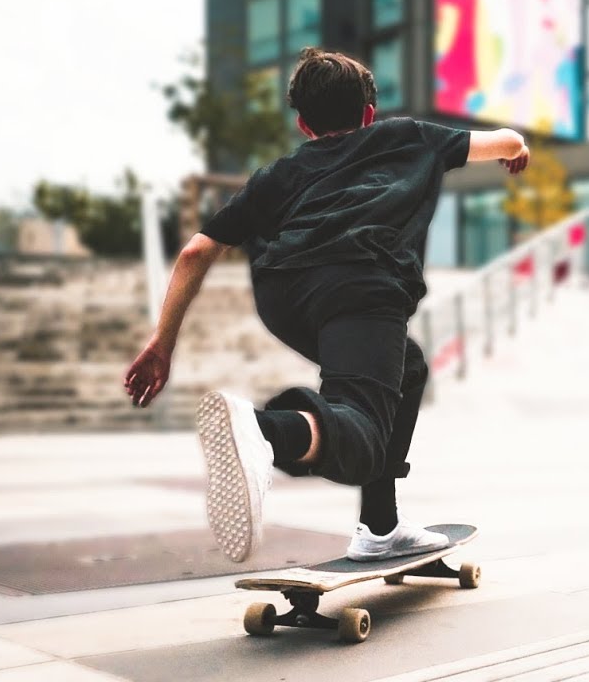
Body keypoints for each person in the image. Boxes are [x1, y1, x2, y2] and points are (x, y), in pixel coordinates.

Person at [123, 47, 530, 564]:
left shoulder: (280, 173)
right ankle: (266, 432)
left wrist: (162, 342)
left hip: (284, 295)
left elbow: (196, 251)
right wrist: (517, 150)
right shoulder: (407, 137)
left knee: (407, 368)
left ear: (303, 124)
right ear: (368, 113)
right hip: (360, 284)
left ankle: (380, 525)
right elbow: (507, 140)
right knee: (361, 435)